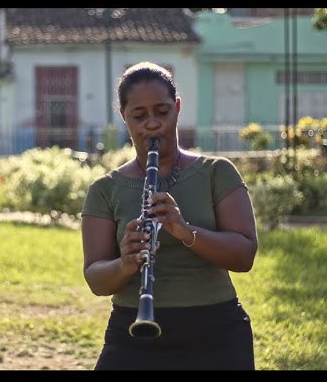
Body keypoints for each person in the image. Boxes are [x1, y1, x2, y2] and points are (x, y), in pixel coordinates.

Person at [81, 61, 258, 370]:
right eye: (139, 115)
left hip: (216, 331)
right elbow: (96, 279)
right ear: (124, 117)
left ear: (177, 107)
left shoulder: (216, 172)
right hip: (133, 334)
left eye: (162, 112)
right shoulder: (104, 190)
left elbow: (244, 257)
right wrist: (124, 264)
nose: (152, 124)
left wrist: (184, 231)